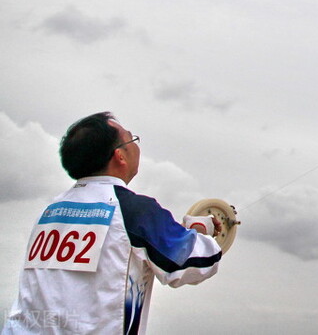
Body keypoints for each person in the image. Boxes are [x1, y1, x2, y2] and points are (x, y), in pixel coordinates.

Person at [3, 112, 223, 334]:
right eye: (132, 139)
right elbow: (200, 262)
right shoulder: (135, 210)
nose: (137, 146)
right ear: (120, 156)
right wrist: (200, 229)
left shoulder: (49, 212)